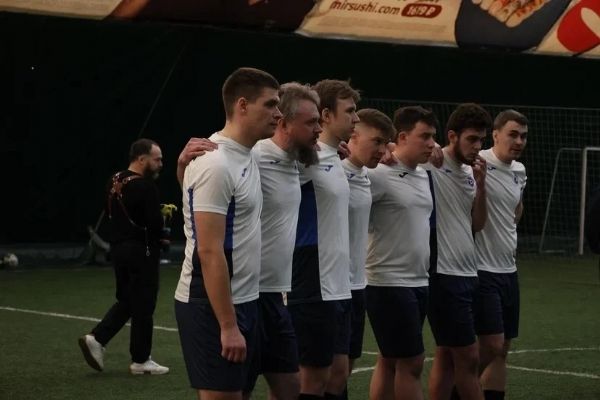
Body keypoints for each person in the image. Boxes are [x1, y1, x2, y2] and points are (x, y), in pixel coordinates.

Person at [174, 67, 281, 400]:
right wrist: (228, 325)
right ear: (243, 105)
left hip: (245, 300)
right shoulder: (216, 163)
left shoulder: (245, 155)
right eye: (271, 104)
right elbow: (208, 250)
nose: (278, 113)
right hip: (211, 304)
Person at [288, 79, 359, 400]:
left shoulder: (335, 156)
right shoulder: (302, 158)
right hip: (312, 278)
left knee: (339, 373)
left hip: (339, 282)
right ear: (327, 115)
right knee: (312, 380)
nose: (356, 118)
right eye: (350, 111)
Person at [78, 138, 169, 375]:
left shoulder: (114, 180)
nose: (161, 164)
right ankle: (141, 360)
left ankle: (97, 339)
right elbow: (154, 225)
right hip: (142, 251)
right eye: (157, 159)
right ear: (141, 159)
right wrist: (163, 230)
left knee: (129, 299)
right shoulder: (146, 187)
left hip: (118, 250)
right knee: (144, 303)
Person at [366, 106, 439, 400]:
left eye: (433, 137)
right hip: (388, 282)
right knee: (412, 362)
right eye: (425, 136)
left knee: (390, 359)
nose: (431, 143)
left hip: (418, 280)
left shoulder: (422, 173)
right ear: (403, 137)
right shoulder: (378, 174)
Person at [426, 103, 492, 400]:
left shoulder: (471, 171)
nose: (478, 146)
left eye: (481, 140)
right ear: (452, 136)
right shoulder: (431, 163)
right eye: (472, 139)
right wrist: (390, 147)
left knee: (446, 356)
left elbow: (477, 224)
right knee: (469, 357)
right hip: (444, 275)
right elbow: (397, 152)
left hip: (468, 273)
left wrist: (481, 186)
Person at [474, 110, 528, 400]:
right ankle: (460, 389)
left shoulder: (519, 171)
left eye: (523, 136)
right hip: (482, 270)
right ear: (495, 135)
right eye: (513, 134)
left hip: (509, 270)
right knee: (491, 345)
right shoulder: (477, 162)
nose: (519, 141)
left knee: (503, 348)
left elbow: (516, 210)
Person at [342, 108, 396, 399]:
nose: (383, 150)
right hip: (324, 288)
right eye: (376, 141)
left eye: (385, 142)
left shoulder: (367, 175)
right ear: (352, 136)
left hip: (356, 286)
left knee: (345, 368)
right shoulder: (330, 170)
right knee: (320, 374)